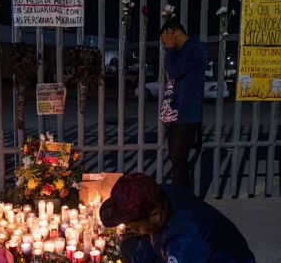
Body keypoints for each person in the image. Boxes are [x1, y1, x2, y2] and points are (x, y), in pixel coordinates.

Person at [99, 173, 256, 263]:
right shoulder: (160, 194)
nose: (134, 230)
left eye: (135, 227)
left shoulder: (186, 239)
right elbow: (147, 239)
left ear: (155, 214)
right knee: (129, 246)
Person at [159, 20, 206, 190]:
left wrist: (171, 50)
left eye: (166, 41)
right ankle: (181, 196)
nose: (166, 47)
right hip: (176, 115)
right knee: (176, 159)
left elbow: (173, 72)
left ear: (175, 33)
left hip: (185, 115)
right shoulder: (182, 52)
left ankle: (182, 199)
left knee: (179, 159)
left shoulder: (195, 51)